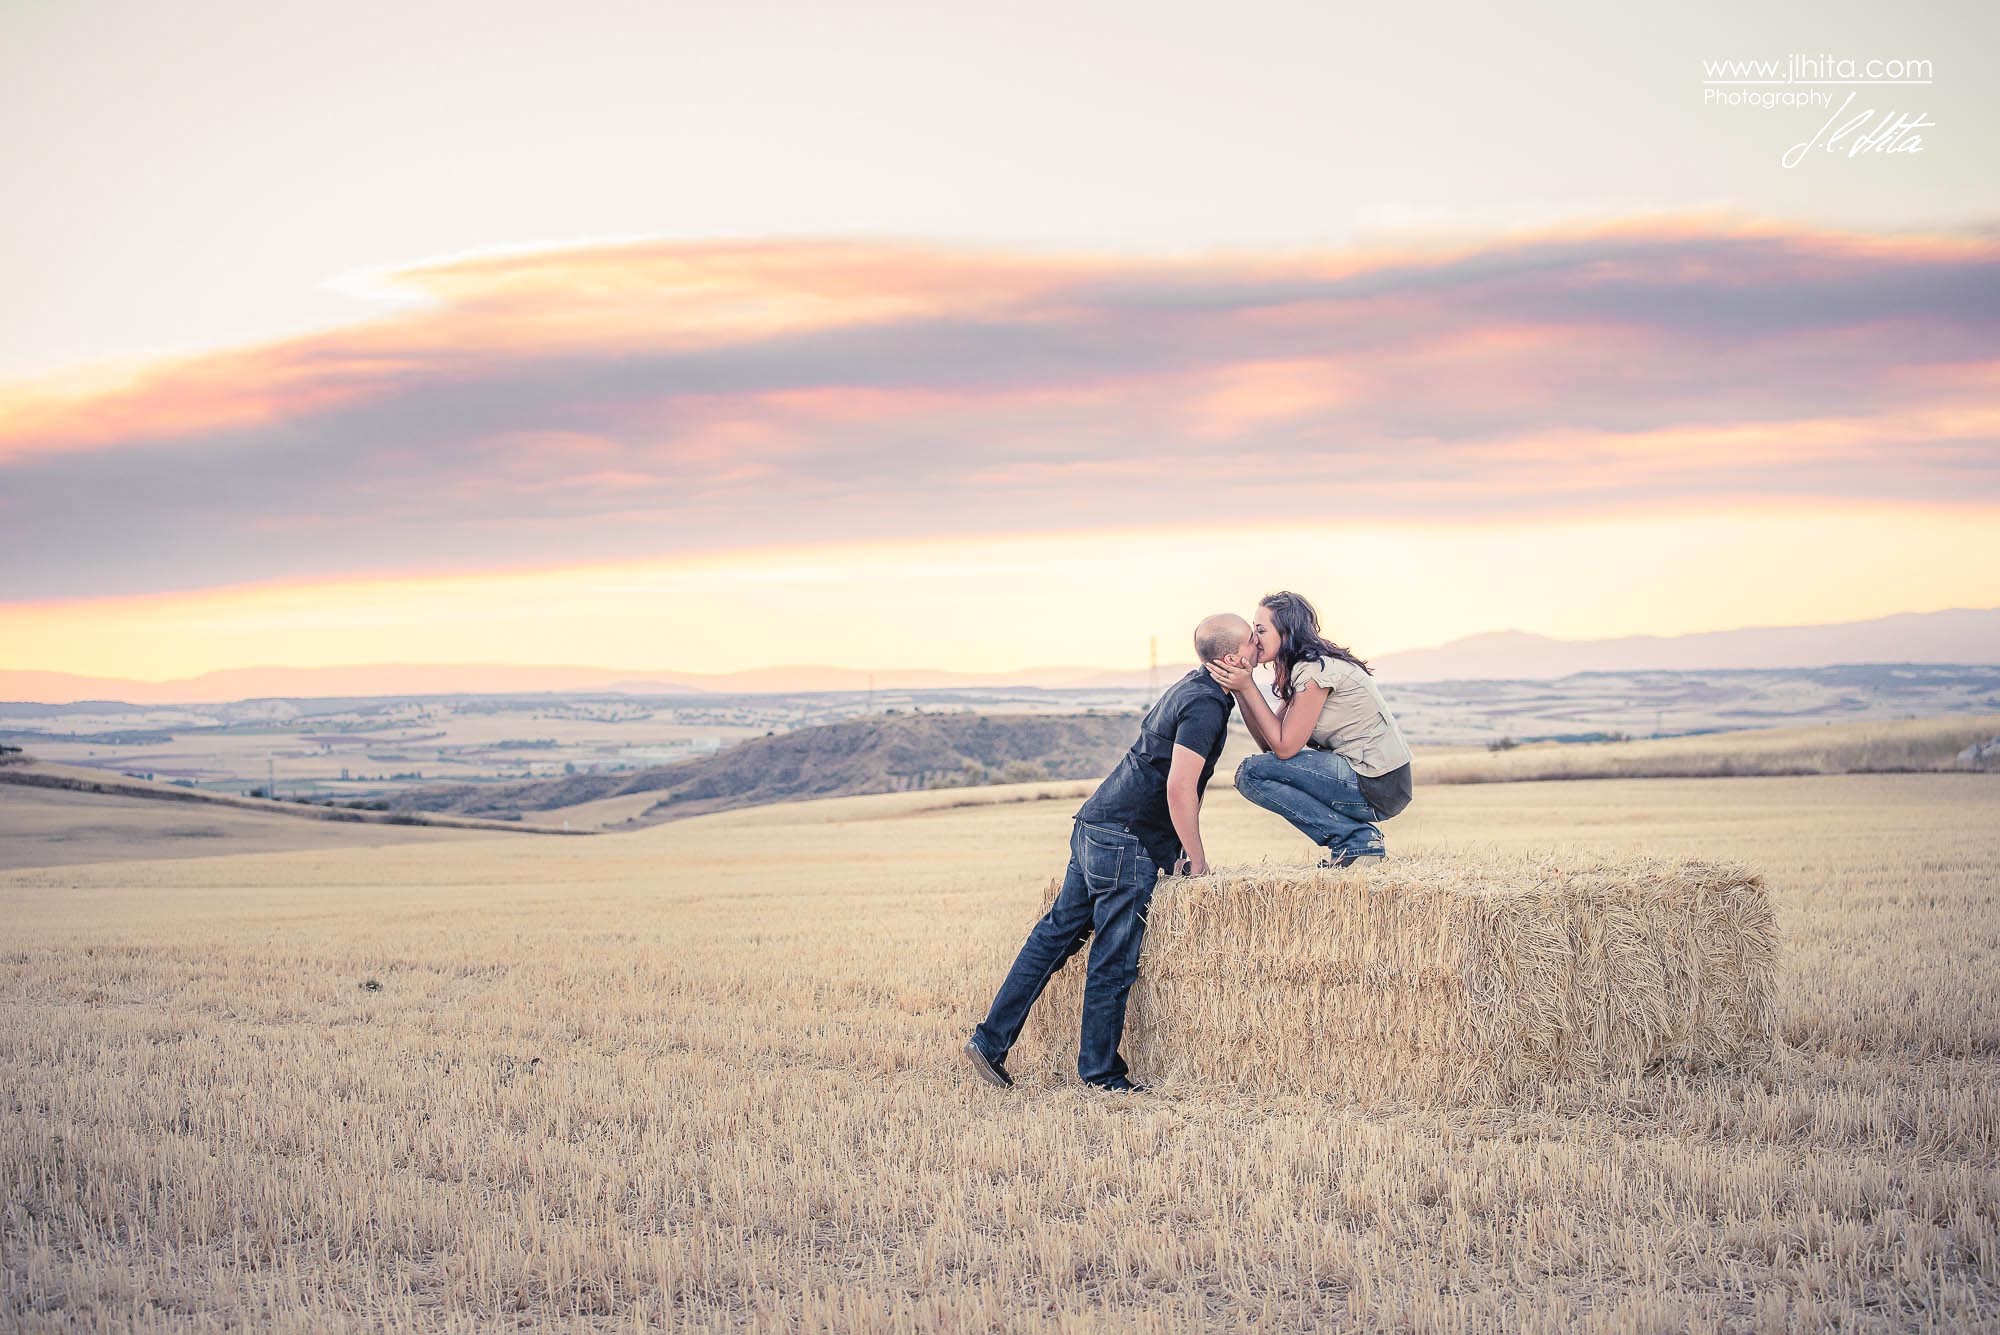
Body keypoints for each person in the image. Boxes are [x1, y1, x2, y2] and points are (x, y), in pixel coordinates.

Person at [964, 612, 1249, 1093]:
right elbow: (1180, 785)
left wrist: (1171, 848)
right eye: (1251, 642)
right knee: (1113, 959)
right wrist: (1197, 859)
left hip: (1097, 823)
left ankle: (989, 1041)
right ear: (1232, 658)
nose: (1259, 646)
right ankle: (1100, 1075)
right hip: (1125, 840)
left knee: (1051, 939)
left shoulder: (1191, 685)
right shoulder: (1206, 703)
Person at [1206, 590, 1413, 867]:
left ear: (1286, 631)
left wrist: (1247, 685)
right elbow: (1270, 744)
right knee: (1254, 771)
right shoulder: (1302, 668)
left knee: (1251, 773)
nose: (1254, 639)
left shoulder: (1314, 670)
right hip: (1374, 780)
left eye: (1261, 630)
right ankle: (1358, 841)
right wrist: (1242, 690)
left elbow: (1285, 748)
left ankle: (1357, 841)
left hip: (1377, 783)